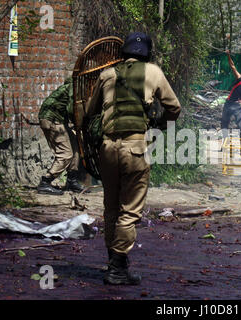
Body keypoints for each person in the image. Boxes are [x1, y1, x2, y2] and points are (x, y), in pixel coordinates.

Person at [85, 32, 181, 285]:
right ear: (147, 53)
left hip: (107, 148)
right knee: (129, 212)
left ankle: (115, 265)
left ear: (124, 52)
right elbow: (174, 108)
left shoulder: (107, 74)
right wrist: (161, 124)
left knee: (111, 208)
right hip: (135, 148)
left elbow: (89, 111)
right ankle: (117, 269)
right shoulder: (153, 72)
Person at [37, 77, 86, 195]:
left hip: (58, 120)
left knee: (75, 149)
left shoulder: (68, 87)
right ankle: (45, 182)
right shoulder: (73, 88)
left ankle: (71, 181)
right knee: (66, 154)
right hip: (52, 121)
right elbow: (71, 109)